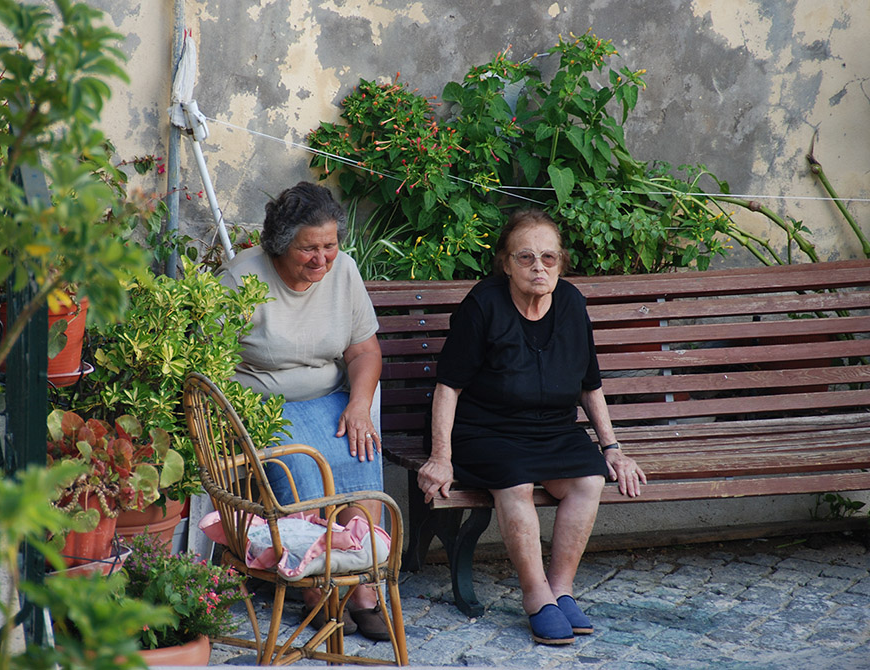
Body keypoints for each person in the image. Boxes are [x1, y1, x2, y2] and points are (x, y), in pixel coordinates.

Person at [417, 209, 647, 645]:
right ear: (505, 262)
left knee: (588, 479)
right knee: (516, 482)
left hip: (553, 431)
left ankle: (562, 590)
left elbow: (589, 385)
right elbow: (448, 387)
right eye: (525, 258)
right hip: (486, 431)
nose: (538, 267)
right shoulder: (482, 305)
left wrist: (612, 447)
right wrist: (441, 457)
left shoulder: (573, 304)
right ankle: (536, 595)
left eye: (549, 257)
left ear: (561, 262)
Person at [217, 181, 389, 640]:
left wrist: (358, 405)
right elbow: (207, 361)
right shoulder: (242, 278)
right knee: (299, 466)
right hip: (265, 405)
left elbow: (364, 351)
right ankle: (316, 591)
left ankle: (364, 588)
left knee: (361, 447)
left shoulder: (344, 272)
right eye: (308, 248)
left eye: (329, 246)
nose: (321, 259)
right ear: (279, 245)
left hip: (331, 398)